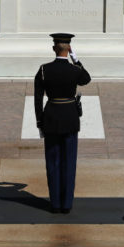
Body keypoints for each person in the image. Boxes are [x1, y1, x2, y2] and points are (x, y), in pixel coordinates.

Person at [34, 33, 91, 214]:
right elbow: (87, 78)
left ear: (53, 48)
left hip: (51, 117)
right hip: (70, 118)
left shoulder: (44, 70)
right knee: (69, 162)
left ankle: (55, 203)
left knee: (53, 161)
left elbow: (37, 99)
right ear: (69, 49)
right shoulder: (75, 71)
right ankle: (66, 204)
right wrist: (76, 58)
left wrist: (39, 122)